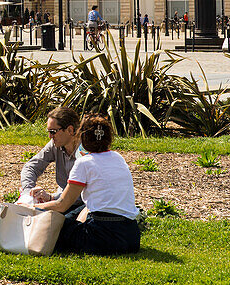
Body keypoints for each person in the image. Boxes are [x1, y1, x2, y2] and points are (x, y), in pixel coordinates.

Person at [34, 114, 140, 256]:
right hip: (131, 236)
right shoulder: (118, 158)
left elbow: (62, 205)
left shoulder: (84, 162)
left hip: (102, 236)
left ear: (82, 137)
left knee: (54, 226)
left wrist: (34, 208)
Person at [20, 107, 82, 213]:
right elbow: (31, 167)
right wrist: (29, 192)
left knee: (64, 226)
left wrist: (52, 198)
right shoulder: (55, 145)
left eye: (53, 132)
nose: (50, 136)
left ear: (70, 130)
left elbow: (82, 194)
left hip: (83, 204)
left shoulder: (85, 151)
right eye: (49, 132)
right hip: (60, 202)